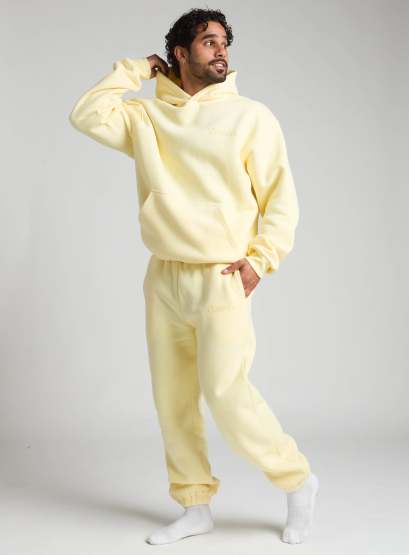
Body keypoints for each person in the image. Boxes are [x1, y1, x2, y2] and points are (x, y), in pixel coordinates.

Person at [69, 7, 319, 546]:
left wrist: (261, 259)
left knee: (226, 393)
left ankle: (297, 479)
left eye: (224, 41)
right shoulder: (146, 117)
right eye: (208, 41)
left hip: (221, 275)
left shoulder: (251, 117)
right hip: (163, 275)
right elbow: (86, 115)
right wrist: (136, 69)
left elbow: (281, 199)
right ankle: (194, 505)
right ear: (179, 54)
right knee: (173, 398)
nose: (221, 50)